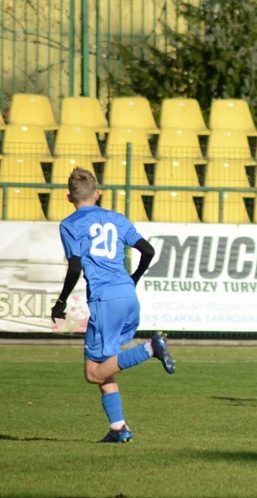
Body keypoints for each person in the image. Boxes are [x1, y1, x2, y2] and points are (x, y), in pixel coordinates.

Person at [51, 167, 175, 443]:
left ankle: (150, 347)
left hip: (105, 300)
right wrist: (135, 278)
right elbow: (149, 251)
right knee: (103, 366)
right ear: (97, 195)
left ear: (69, 198)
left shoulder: (70, 224)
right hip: (128, 297)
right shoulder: (117, 219)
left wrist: (60, 303)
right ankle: (118, 427)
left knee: (92, 372)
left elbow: (74, 267)